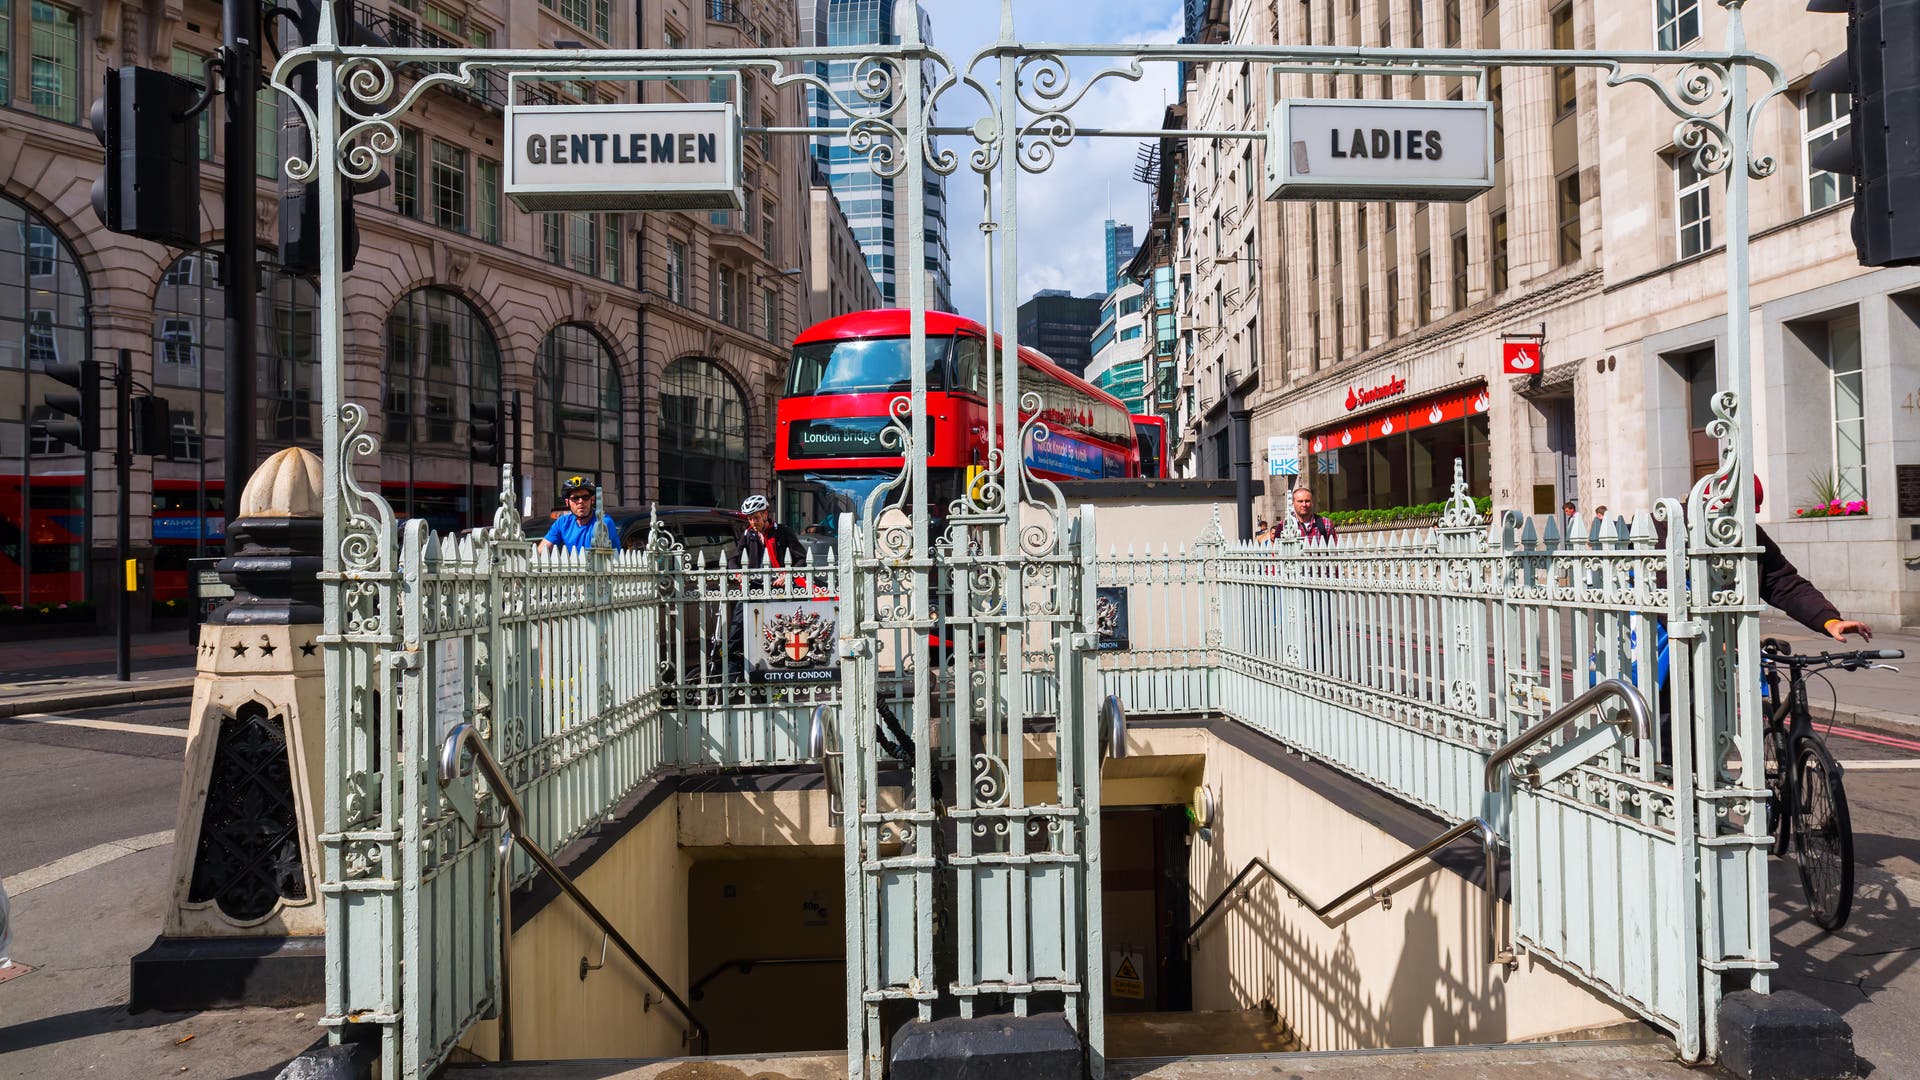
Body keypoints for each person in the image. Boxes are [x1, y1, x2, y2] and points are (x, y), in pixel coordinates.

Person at [539, 475, 621, 552]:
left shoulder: (603, 523)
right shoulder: (562, 522)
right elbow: (541, 550)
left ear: (592, 500)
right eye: (575, 498)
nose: (581, 501)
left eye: (585, 497)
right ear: (567, 503)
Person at [736, 494, 806, 571]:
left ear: (765, 514)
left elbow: (803, 558)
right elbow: (733, 559)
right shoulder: (748, 534)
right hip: (755, 581)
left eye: (756, 518)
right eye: (750, 519)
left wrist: (787, 574)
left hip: (780, 580)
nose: (753, 522)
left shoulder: (782, 531)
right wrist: (738, 574)